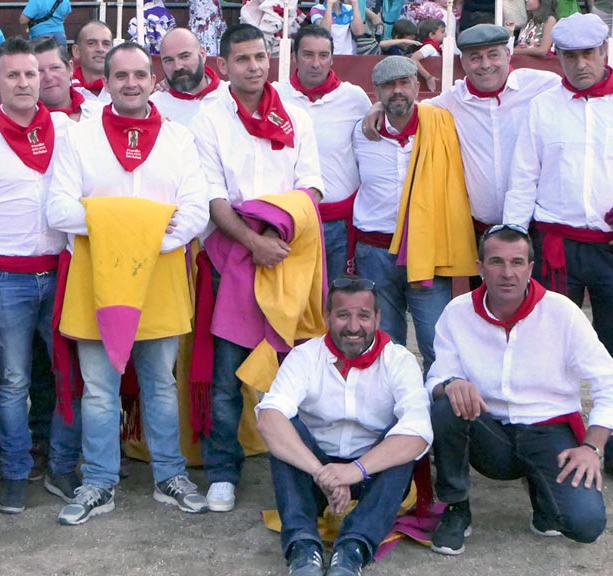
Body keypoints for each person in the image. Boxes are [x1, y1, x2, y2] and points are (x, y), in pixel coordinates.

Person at [504, 13, 613, 492]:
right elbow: (524, 176)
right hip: (554, 246)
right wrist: (513, 241)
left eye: (588, 54)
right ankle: (549, 446)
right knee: (547, 351)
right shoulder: (543, 106)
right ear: (557, 56)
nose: (580, 64)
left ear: (604, 53)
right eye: (570, 55)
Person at [47, 41, 211, 525]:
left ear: (154, 80)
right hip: (96, 278)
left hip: (159, 274)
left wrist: (139, 237)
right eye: (121, 75)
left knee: (161, 382)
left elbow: (196, 210)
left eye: (140, 74)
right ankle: (99, 481)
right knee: (99, 388)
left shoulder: (178, 139)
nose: (131, 83)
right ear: (106, 81)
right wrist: (142, 227)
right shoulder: (79, 137)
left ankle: (169, 475)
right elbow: (58, 209)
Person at [426, 225, 613, 556]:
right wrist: (450, 383)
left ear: (531, 268)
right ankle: (456, 506)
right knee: (446, 405)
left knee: (585, 524)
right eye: (496, 262)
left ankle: (542, 495)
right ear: (479, 267)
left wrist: (592, 447)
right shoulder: (457, 312)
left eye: (517, 262)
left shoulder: (562, 312)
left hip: (549, 430)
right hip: (488, 431)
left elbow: (611, 380)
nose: (507, 273)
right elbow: (435, 378)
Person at [190, 23, 324, 514]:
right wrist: (252, 241)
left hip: (289, 252)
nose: (254, 67)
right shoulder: (209, 119)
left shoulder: (295, 114)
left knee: (299, 366)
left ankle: (308, 466)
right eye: (243, 59)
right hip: (232, 254)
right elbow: (212, 198)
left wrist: (277, 236)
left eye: (260, 57)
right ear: (222, 65)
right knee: (228, 373)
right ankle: (223, 472)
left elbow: (312, 186)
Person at [0, 36, 78, 514]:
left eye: (31, 73)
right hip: (5, 280)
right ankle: (16, 471)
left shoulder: (68, 130)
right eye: (14, 75)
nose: (25, 82)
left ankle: (62, 467)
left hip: (62, 273)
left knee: (66, 376)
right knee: (11, 382)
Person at [362, 23, 613, 233]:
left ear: (508, 54)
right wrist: (377, 106)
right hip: (478, 229)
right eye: (475, 57)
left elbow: (592, 84)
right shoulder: (452, 100)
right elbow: (411, 109)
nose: (485, 65)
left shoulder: (542, 86)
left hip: (536, 225)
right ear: (462, 62)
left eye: (493, 54)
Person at [257, 277, 432, 576]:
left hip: (372, 476)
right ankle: (303, 548)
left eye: (363, 315)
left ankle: (352, 549)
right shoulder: (304, 357)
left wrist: (354, 471)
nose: (353, 326)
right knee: (284, 428)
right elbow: (268, 418)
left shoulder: (398, 360)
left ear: (377, 318)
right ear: (327, 317)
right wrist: (321, 473)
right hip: (314, 474)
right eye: (342, 315)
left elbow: (418, 433)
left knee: (402, 438)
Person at [351, 55, 476, 377]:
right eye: (388, 85)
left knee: (436, 342)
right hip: (374, 251)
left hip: (426, 250)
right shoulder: (360, 133)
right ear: (376, 91)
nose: (397, 91)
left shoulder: (442, 123)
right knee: (383, 345)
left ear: (417, 87)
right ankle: (391, 407)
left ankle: (436, 407)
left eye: (404, 83)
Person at [276, 24, 371, 283]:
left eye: (323, 55)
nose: (316, 63)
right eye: (308, 54)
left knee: (336, 298)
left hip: (339, 224)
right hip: (291, 222)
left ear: (332, 58)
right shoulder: (275, 96)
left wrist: (377, 108)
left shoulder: (354, 98)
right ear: (295, 56)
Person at [150, 27, 231, 128]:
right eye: (169, 60)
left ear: (202, 55)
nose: (178, 66)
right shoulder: (153, 107)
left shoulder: (230, 96)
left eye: (185, 56)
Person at [33, 35, 103, 121]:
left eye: (55, 68)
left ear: (70, 68)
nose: (48, 77)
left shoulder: (101, 114)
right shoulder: (22, 123)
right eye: (39, 71)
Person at [70, 20, 113, 102]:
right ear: (76, 51)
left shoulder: (125, 87)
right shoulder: (64, 90)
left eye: (106, 43)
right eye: (91, 43)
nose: (100, 49)